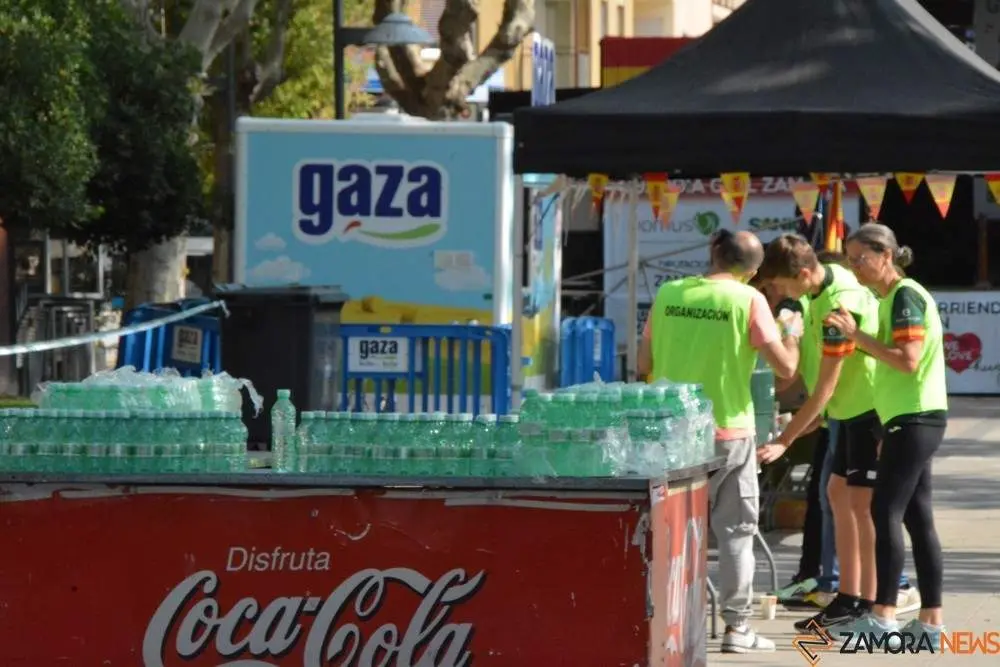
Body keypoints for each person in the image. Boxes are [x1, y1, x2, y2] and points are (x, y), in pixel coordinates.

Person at [638, 229, 802, 653]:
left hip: (670, 432)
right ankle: (736, 629)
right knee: (735, 532)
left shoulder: (669, 292)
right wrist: (792, 333)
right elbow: (785, 370)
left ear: (712, 253)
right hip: (728, 431)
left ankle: (666, 623)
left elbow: (643, 364)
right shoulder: (750, 301)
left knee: (668, 529)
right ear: (752, 271)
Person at [824, 224, 947, 647]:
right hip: (911, 417)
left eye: (860, 258)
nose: (854, 267)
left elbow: (908, 360)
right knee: (916, 517)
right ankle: (931, 620)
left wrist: (856, 336)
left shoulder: (905, 296)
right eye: (849, 260)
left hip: (915, 417)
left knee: (885, 511)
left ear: (886, 255)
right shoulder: (892, 298)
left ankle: (884, 613)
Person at [755, 234, 882, 630]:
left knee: (861, 509)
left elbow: (825, 387)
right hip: (846, 413)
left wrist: (784, 440)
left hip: (869, 413)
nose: (778, 295)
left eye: (780, 286)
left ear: (805, 273)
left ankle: (871, 605)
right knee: (836, 496)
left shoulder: (836, 305)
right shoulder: (820, 291)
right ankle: (849, 598)